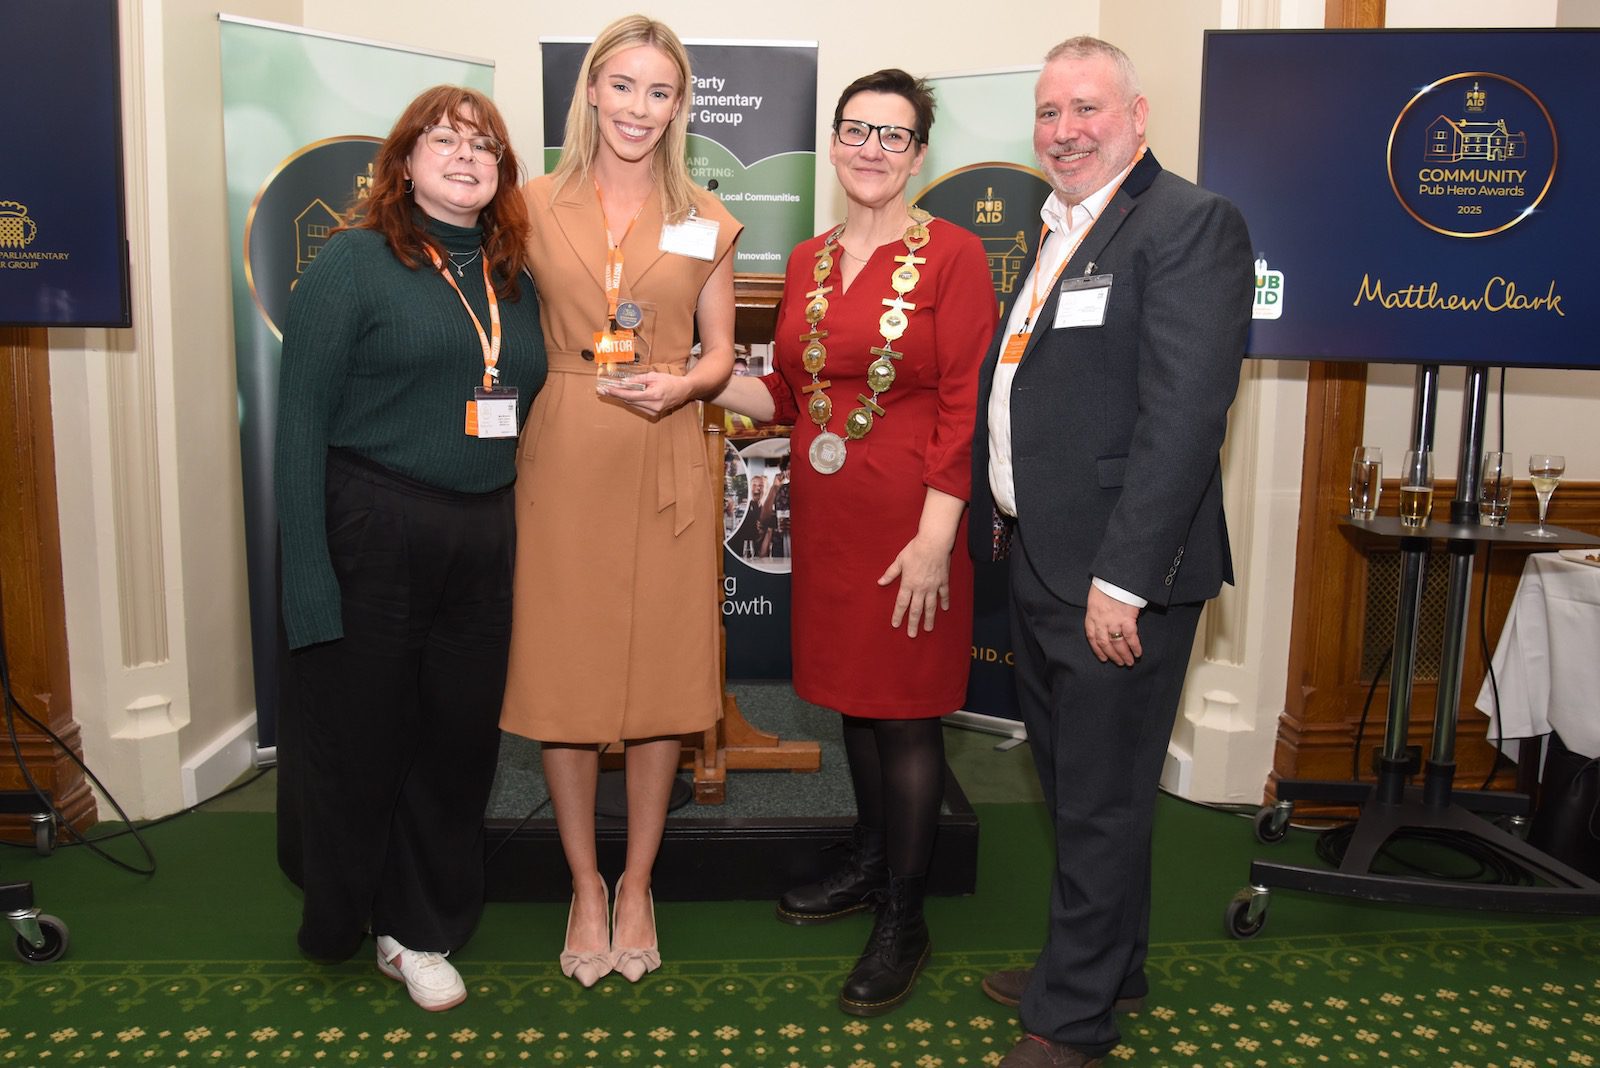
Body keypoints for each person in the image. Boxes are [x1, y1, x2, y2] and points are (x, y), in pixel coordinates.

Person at [968, 38, 1252, 1067]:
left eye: (1086, 109)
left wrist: (1122, 581)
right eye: (1049, 113)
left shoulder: (1188, 223)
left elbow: (1183, 421)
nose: (1064, 131)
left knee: (1099, 799)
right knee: (1081, 788)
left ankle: (1072, 1018)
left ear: (1137, 116)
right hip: (1044, 561)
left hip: (1116, 579)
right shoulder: (1060, 229)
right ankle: (1104, 964)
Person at [715, 68, 997, 1015]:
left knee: (907, 716)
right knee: (857, 704)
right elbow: (787, 397)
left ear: (918, 155)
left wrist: (935, 538)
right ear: (834, 143)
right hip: (833, 521)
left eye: (893, 135)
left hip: (914, 522)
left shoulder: (955, 255)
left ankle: (905, 917)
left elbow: (962, 404)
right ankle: (873, 861)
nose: (871, 149)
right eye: (856, 131)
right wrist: (695, 377)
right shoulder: (809, 259)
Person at [274, 85, 545, 1011]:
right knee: (361, 743)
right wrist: (307, 582)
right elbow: (299, 425)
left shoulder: (512, 275)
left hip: (482, 535)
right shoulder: (352, 262)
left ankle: (418, 927)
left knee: (457, 744)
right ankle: (345, 910)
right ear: (403, 162)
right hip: (372, 528)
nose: (467, 158)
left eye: (484, 146)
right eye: (444, 140)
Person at [499, 15, 741, 988]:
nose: (640, 108)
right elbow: (492, 331)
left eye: (660, 91)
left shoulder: (703, 215)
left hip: (662, 446)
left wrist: (683, 386)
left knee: (658, 680)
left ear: (679, 106)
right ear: (592, 90)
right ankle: (584, 883)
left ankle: (637, 881)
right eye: (625, 86)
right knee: (564, 676)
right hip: (561, 447)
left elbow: (719, 354)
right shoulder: (525, 204)